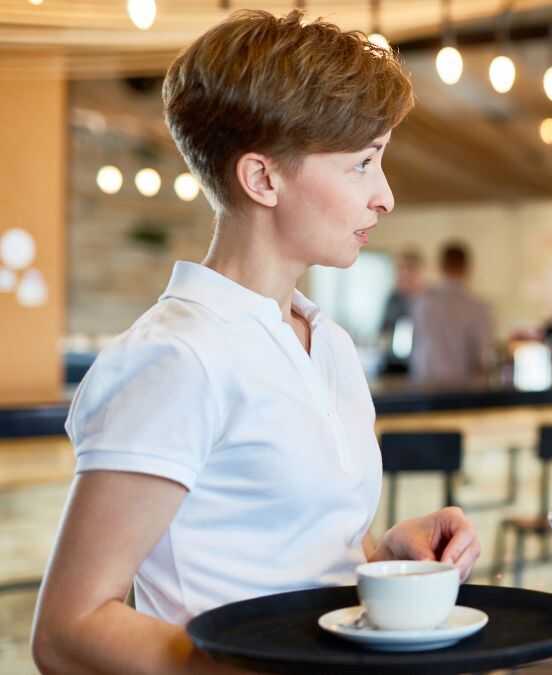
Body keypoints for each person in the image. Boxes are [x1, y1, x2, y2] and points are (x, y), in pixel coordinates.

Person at [32, 11, 480, 675]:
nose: (385, 196)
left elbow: (300, 557)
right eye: (362, 163)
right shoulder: (177, 356)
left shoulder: (327, 343)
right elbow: (68, 631)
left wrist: (385, 555)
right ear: (263, 179)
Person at [410, 242, 494, 383]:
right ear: (467, 268)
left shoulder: (423, 303)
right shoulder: (477, 307)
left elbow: (416, 346)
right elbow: (483, 353)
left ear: (440, 266)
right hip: (462, 386)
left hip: (425, 382)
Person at [380, 248, 425, 373]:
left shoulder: (427, 301)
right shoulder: (393, 299)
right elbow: (383, 332)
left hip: (420, 365)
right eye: (401, 269)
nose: (404, 274)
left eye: (410, 269)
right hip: (393, 364)